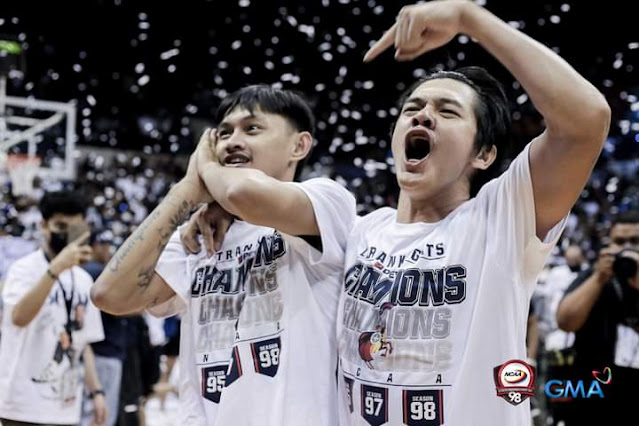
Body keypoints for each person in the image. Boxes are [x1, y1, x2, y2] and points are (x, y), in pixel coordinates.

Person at [333, 1, 610, 425]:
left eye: (447, 111)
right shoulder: (359, 229)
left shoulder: (500, 219)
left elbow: (586, 120)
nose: (423, 115)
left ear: (483, 154)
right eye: (412, 108)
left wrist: (469, 19)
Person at [91, 85, 357, 426]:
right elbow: (109, 295)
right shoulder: (199, 235)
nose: (232, 141)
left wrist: (206, 168)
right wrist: (186, 191)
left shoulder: (326, 200)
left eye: (252, 128)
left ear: (299, 145)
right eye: (224, 133)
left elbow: (240, 192)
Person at [0, 190, 107, 426]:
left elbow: (84, 344)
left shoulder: (83, 279)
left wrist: (97, 391)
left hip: (65, 407)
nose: (67, 234)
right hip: (22, 407)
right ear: (44, 225)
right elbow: (19, 317)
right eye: (60, 226)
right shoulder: (24, 269)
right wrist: (55, 269)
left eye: (74, 227)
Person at [556, 211, 639, 425]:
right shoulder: (594, 275)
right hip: (593, 392)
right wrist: (599, 277)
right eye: (619, 241)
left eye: (635, 241)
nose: (628, 247)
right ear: (609, 244)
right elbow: (565, 322)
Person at [81, 230, 127, 426]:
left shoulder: (83, 270)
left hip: (90, 350)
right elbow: (122, 306)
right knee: (101, 417)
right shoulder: (98, 271)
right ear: (93, 246)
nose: (107, 249)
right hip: (104, 350)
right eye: (103, 244)